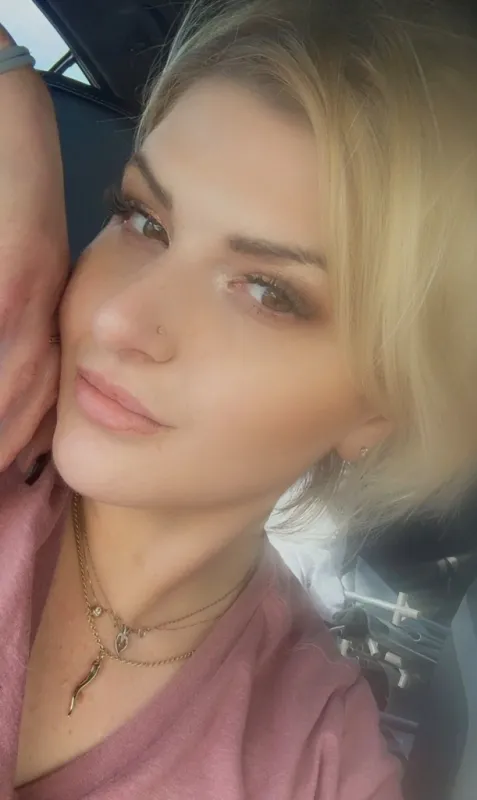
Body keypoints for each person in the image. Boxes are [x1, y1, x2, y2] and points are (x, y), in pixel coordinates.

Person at [1, 0, 477, 796]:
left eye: (266, 292)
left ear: (379, 407)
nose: (118, 319)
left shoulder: (317, 765)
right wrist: (14, 99)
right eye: (142, 221)